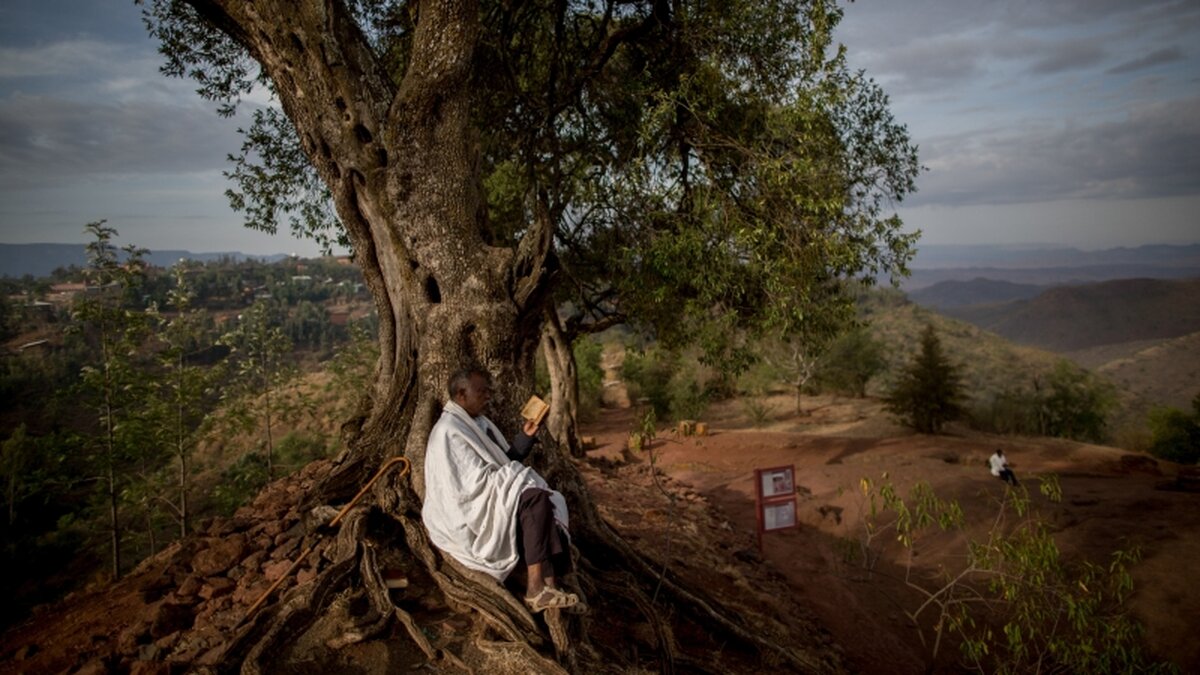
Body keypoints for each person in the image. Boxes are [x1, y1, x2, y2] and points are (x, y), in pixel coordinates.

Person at [422, 367, 582, 613]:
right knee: (533, 497)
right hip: (469, 509)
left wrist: (525, 437)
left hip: (493, 492)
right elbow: (466, 486)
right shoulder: (448, 430)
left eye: (488, 390)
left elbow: (504, 462)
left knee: (541, 500)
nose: (488, 396)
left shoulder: (480, 424)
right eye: (481, 391)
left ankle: (551, 586)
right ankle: (535, 588)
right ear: (461, 394)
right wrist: (512, 480)